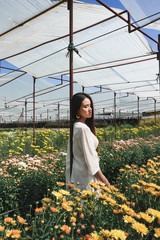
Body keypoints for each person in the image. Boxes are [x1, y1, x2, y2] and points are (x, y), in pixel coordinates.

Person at [66, 92, 110, 191]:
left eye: (90, 106)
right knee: (87, 203)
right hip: (85, 177)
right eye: (86, 107)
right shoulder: (82, 129)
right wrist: (104, 181)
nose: (90, 109)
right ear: (77, 110)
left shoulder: (76, 126)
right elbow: (91, 160)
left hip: (77, 174)